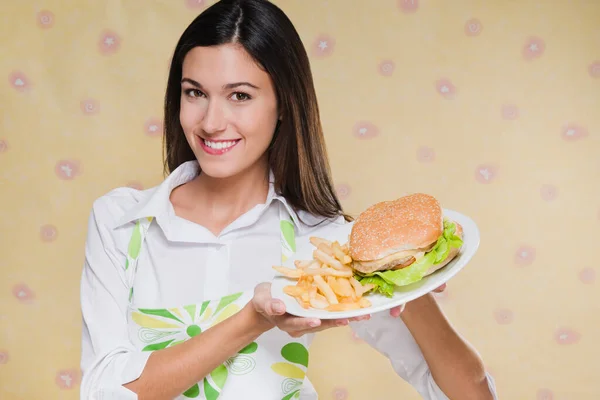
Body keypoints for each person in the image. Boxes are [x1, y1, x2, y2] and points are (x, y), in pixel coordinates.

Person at [79, 0, 498, 399]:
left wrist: (407, 283)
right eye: (194, 93)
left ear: (283, 104)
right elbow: (106, 393)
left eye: (239, 95)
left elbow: (471, 395)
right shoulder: (121, 221)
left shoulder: (329, 249)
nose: (210, 122)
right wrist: (253, 319)